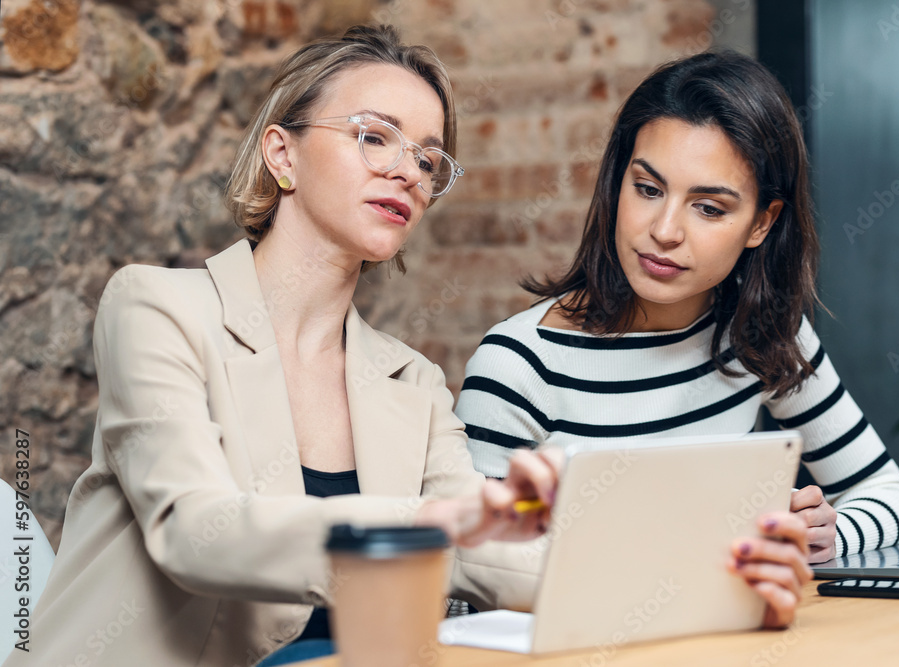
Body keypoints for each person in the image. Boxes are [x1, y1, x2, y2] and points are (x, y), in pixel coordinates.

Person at [5, 26, 559, 667]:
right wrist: (431, 523)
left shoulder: (414, 381)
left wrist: (563, 543)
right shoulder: (155, 307)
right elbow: (195, 532)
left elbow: (473, 550)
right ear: (282, 154)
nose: (408, 171)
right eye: (374, 136)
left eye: (429, 161)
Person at [456, 51, 899, 615]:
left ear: (762, 223)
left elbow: (889, 494)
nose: (665, 230)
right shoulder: (519, 364)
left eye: (708, 208)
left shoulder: (761, 334)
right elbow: (468, 583)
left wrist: (824, 536)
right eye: (648, 189)